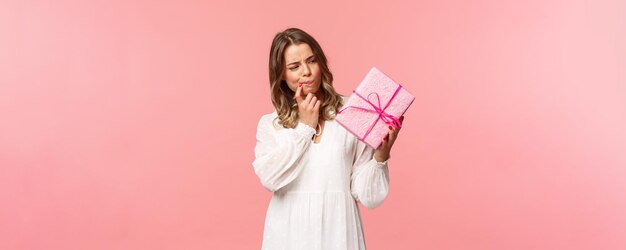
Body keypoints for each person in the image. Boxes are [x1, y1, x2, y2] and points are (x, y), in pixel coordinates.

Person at [252, 27, 404, 250]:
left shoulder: (354, 113)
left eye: (311, 61)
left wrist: (380, 156)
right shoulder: (271, 124)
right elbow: (270, 179)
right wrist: (305, 127)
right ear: (281, 74)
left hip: (339, 233)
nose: (306, 71)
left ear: (321, 63)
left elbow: (367, 196)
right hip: (288, 234)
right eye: (294, 67)